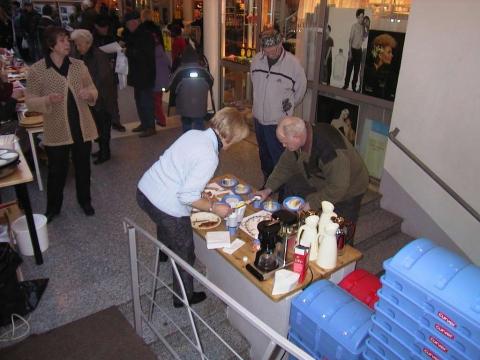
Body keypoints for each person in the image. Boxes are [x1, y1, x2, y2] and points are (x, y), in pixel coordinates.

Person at [137, 107, 249, 307]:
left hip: (145, 191)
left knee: (163, 223)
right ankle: (183, 297)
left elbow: (182, 167)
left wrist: (199, 193)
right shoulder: (210, 156)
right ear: (231, 137)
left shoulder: (194, 134)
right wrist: (214, 207)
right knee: (186, 250)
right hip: (166, 206)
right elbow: (186, 197)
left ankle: (164, 252)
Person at [25, 27, 98, 223]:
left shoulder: (78, 65)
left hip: (82, 126)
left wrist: (89, 94)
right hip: (57, 129)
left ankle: (85, 201)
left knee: (84, 167)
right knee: (57, 171)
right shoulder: (37, 70)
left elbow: (92, 88)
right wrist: (47, 99)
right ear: (51, 45)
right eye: (62, 40)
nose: (67, 43)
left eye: (67, 39)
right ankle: (53, 208)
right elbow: (30, 100)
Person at [255, 117, 369, 225]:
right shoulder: (301, 135)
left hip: (350, 187)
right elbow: (284, 166)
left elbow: (338, 187)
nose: (283, 145)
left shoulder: (330, 152)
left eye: (285, 142)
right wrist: (267, 189)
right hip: (322, 177)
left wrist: (311, 203)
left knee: (339, 230)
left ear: (297, 137)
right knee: (294, 183)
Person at [250, 28, 307, 184]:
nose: (270, 53)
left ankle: (284, 191)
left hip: (279, 122)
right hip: (259, 119)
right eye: (266, 50)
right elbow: (255, 84)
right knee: (264, 155)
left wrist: (286, 107)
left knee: (280, 159)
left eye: (273, 49)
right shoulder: (256, 61)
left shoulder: (293, 64)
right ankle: (268, 183)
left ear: (280, 43)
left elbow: (300, 90)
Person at [71, 29, 115, 164]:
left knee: (103, 126)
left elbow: (103, 78)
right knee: (98, 126)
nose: (77, 48)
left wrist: (89, 90)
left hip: (101, 98)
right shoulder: (84, 55)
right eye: (76, 45)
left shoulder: (98, 55)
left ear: (88, 42)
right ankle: (102, 150)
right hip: (93, 97)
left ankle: (105, 153)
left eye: (79, 44)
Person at [124, 11, 156, 138]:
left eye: (130, 23)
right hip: (138, 74)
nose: (128, 26)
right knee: (138, 100)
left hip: (145, 75)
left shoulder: (145, 35)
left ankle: (150, 127)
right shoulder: (134, 34)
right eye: (127, 24)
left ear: (136, 22)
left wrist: (127, 51)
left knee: (146, 101)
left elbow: (144, 55)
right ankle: (144, 123)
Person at [168, 44, 212, 132]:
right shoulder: (203, 71)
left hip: (185, 108)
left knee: (186, 125)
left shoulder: (180, 71)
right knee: (199, 124)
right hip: (200, 107)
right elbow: (211, 82)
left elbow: (172, 86)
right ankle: (200, 142)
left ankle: (188, 140)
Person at [93, 15, 125, 132]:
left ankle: (115, 121)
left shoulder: (111, 37)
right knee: (98, 100)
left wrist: (118, 51)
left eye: (106, 26)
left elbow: (117, 52)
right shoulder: (92, 39)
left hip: (110, 73)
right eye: (102, 27)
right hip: (97, 74)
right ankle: (99, 126)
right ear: (96, 26)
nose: (104, 29)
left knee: (112, 99)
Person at [142, 20, 170, 127]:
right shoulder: (161, 50)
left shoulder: (152, 52)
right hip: (162, 81)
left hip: (156, 81)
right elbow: (168, 63)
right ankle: (159, 118)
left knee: (156, 101)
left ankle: (161, 120)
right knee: (158, 99)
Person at [363, 33, 397, 99]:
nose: (392, 55)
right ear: (380, 55)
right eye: (389, 52)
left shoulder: (390, 75)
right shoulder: (366, 70)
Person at [343, 9, 365, 92]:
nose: (361, 19)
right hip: (353, 50)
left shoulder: (363, 27)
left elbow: (362, 38)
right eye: (360, 17)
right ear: (357, 17)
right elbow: (350, 40)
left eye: (362, 17)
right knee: (349, 69)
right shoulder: (354, 26)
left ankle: (354, 87)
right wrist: (350, 52)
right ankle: (346, 85)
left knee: (356, 71)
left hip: (359, 51)